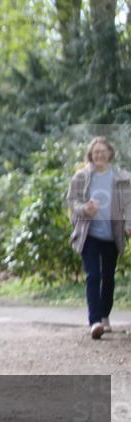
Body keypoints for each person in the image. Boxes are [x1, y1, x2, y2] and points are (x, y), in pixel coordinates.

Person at [66, 136, 131, 339]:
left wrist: (129, 223)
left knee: (108, 278)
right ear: (90, 156)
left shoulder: (122, 177)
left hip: (112, 235)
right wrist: (85, 208)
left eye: (103, 151)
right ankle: (94, 321)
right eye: (95, 152)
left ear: (110, 153)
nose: (99, 155)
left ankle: (104, 315)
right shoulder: (81, 177)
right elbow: (72, 202)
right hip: (89, 234)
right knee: (93, 276)